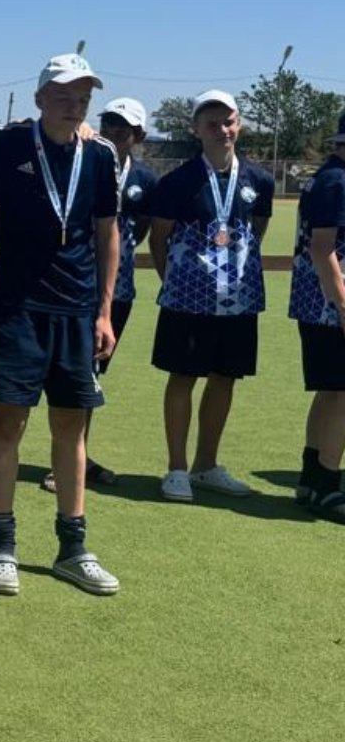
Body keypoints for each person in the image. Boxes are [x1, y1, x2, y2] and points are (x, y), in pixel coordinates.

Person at [0, 53, 121, 597]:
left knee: (71, 428)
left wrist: (104, 311)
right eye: (63, 94)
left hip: (77, 313)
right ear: (39, 99)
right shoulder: (3, 145)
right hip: (16, 311)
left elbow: (107, 234)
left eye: (83, 96)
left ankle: (72, 548)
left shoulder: (99, 155)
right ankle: (2, 547)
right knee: (8, 426)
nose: (74, 104)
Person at [146, 90, 272, 503]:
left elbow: (257, 231)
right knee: (182, 378)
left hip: (239, 301)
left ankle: (205, 465)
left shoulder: (259, 180)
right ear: (196, 129)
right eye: (212, 123)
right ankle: (176, 468)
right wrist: (177, 283)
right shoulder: (177, 182)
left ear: (240, 124)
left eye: (229, 121)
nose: (223, 130)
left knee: (224, 379)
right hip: (187, 302)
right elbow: (159, 239)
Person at [40, 97, 158, 493]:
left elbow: (138, 231)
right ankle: (63, 461)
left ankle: (77, 456)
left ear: (139, 136)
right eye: (108, 123)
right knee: (64, 375)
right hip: (69, 287)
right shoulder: (84, 161)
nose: (113, 132)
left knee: (90, 376)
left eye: (123, 128)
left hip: (116, 293)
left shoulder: (145, 180)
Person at [290, 112, 345, 520]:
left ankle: (311, 480)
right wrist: (342, 305)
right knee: (341, 395)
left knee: (329, 391)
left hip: (319, 306)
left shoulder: (328, 177)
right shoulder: (337, 181)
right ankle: (327, 485)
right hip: (330, 308)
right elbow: (323, 248)